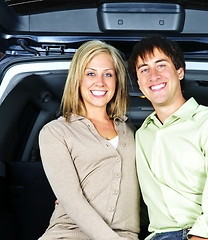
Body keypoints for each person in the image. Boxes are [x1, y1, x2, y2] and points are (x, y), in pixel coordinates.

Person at [128, 36, 208, 240]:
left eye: (161, 65)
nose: (153, 75)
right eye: (144, 69)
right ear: (140, 84)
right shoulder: (142, 136)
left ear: (180, 71)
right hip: (162, 235)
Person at [38, 40, 139, 240]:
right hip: (68, 235)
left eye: (108, 74)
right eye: (90, 73)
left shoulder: (130, 131)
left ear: (117, 80)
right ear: (77, 79)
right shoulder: (55, 132)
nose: (100, 82)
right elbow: (71, 199)